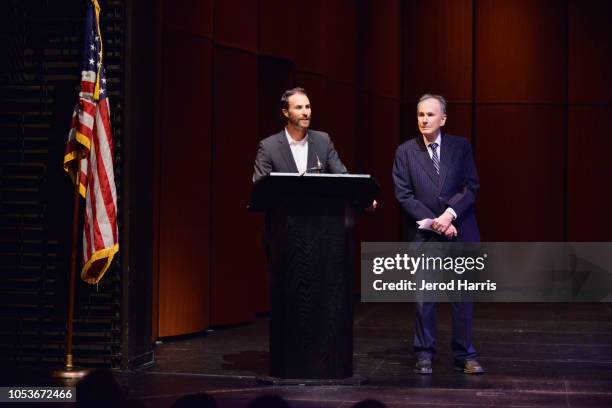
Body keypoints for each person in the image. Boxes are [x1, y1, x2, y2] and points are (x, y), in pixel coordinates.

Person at [392, 93, 484, 375]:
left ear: (442, 119)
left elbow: (471, 187)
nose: (424, 119)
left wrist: (448, 215)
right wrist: (435, 222)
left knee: (462, 299)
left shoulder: (461, 147)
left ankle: (464, 353)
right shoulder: (405, 151)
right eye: (420, 114)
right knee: (424, 298)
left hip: (459, 230)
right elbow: (404, 195)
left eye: (430, 115)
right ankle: (424, 353)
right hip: (426, 235)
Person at [252, 87, 348, 183]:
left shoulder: (323, 141)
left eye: (308, 107)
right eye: (299, 107)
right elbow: (260, 191)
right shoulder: (268, 147)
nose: (306, 113)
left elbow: (344, 180)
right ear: (286, 112)